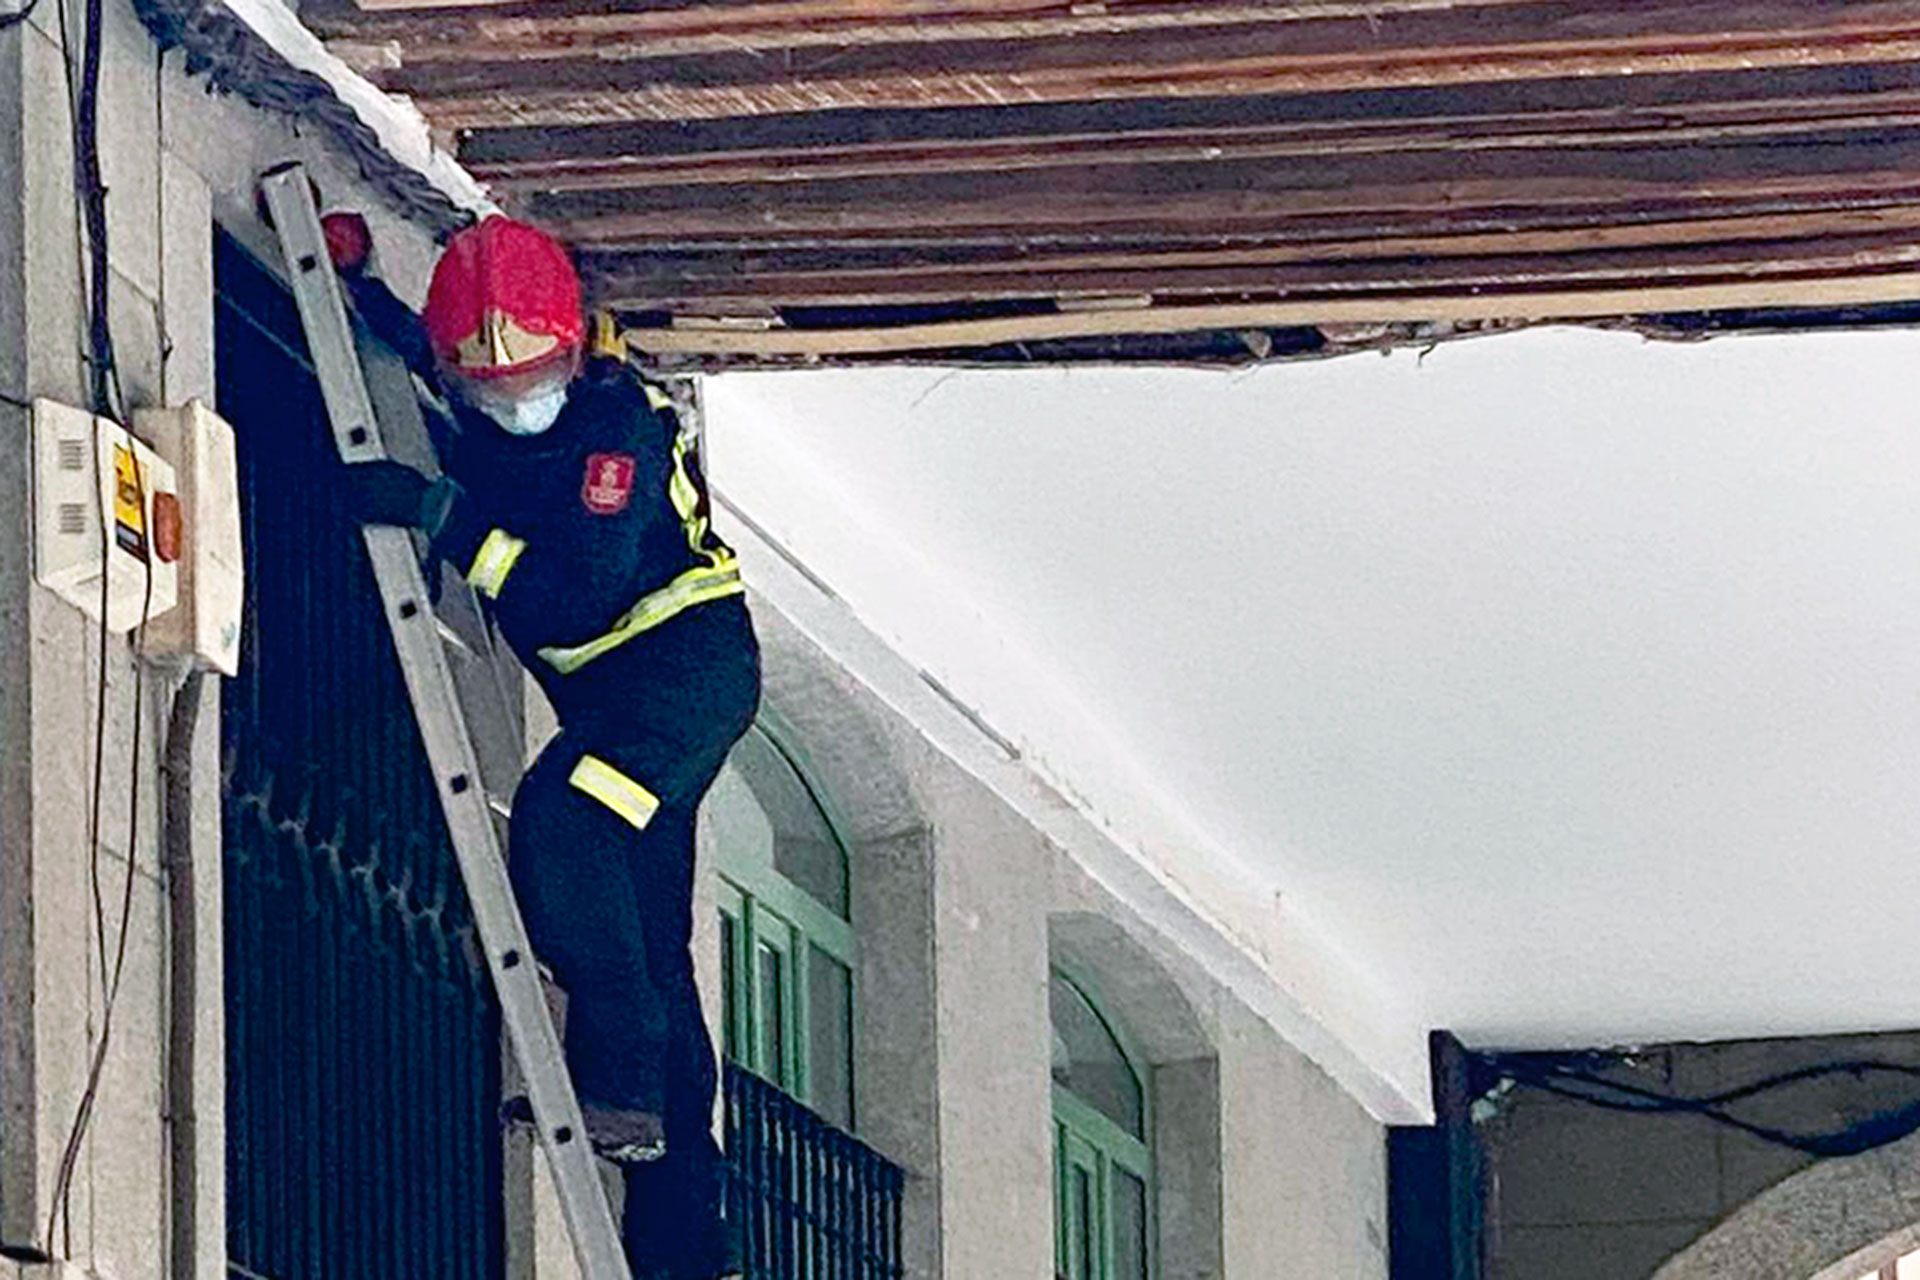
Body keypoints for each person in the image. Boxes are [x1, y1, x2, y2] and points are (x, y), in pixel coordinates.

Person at [336, 213, 756, 1280]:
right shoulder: (484, 388)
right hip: (622, 697)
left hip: (678, 678)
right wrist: (362, 287)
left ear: (573, 351)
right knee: (656, 940)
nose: (511, 403)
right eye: (490, 386)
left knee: (567, 819)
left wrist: (441, 515)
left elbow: (577, 594)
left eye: (532, 375)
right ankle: (680, 1243)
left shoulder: (619, 434)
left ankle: (617, 1081)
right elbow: (434, 366)